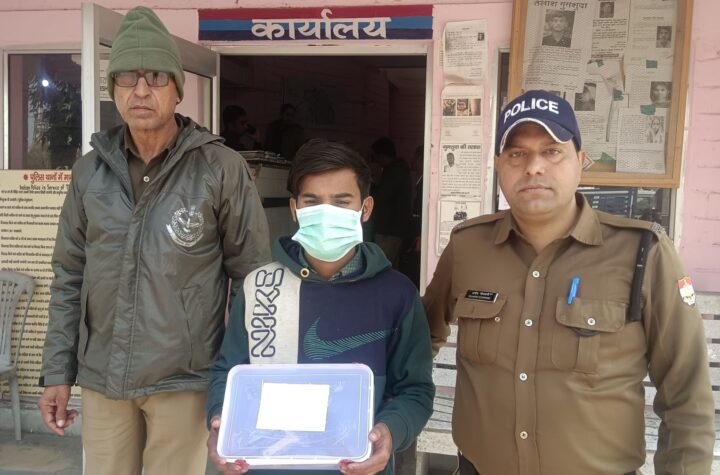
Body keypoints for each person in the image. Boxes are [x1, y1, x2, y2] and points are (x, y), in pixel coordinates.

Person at [423, 90, 715, 474]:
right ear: (498, 165)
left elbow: (687, 392)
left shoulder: (643, 252)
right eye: (517, 153)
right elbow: (420, 339)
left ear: (580, 161)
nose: (533, 167)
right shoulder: (468, 246)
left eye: (552, 151)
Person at [36, 7, 271, 475]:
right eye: (127, 77)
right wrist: (57, 372)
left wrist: (241, 377)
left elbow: (253, 280)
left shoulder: (220, 168)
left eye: (157, 77)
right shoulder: (89, 172)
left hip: (183, 380)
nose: (141, 90)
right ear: (113, 88)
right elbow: (69, 276)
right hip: (103, 376)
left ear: (177, 89)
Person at [206, 139, 435, 475]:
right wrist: (219, 419)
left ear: (365, 208)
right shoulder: (261, 287)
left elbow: (415, 389)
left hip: (356, 467)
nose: (327, 213)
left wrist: (391, 431)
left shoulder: (397, 294)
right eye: (312, 202)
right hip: (265, 466)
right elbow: (228, 373)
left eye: (341, 202)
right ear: (294, 209)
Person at [369, 137, 413, 268]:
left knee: (383, 266)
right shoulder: (399, 169)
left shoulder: (394, 171)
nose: (376, 161)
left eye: (375, 156)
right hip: (395, 228)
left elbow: (381, 196)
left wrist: (370, 186)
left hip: (389, 229)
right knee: (391, 265)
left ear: (381, 155)